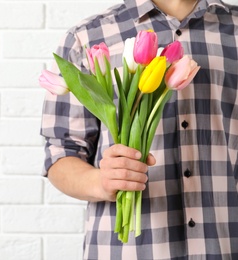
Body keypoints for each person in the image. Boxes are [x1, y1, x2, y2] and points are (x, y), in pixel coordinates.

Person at [40, 0, 238, 259]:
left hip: (226, 243)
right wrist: (102, 182)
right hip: (129, 250)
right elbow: (61, 153)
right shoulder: (89, 37)